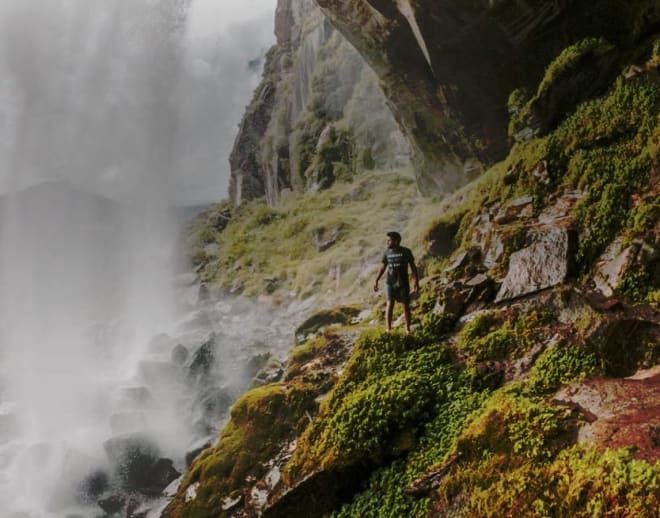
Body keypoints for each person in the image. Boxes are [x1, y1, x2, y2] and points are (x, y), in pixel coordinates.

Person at [373, 231, 419, 334]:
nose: (387, 242)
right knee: (389, 305)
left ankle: (407, 329)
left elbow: (413, 267)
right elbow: (383, 267)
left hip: (403, 283)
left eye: (389, 240)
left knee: (405, 306)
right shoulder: (386, 253)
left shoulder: (406, 251)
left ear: (396, 241)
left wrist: (416, 282)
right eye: (387, 240)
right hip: (390, 283)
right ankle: (388, 329)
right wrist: (376, 280)